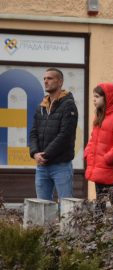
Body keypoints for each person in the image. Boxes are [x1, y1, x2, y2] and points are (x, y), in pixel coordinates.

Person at [29, 68, 79, 201]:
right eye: (44, 78)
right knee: (42, 208)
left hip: (61, 165)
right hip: (42, 166)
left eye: (50, 78)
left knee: (66, 209)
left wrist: (45, 155)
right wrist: (34, 153)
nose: (45, 81)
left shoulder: (69, 105)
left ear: (60, 82)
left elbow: (65, 135)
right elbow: (34, 132)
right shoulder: (41, 107)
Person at [84, 83, 113, 214]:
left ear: (107, 98)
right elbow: (93, 139)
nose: (94, 99)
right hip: (99, 166)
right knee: (99, 202)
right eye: (94, 96)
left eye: (97, 96)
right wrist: (87, 154)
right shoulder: (99, 117)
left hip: (109, 166)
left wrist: (107, 159)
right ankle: (98, 230)